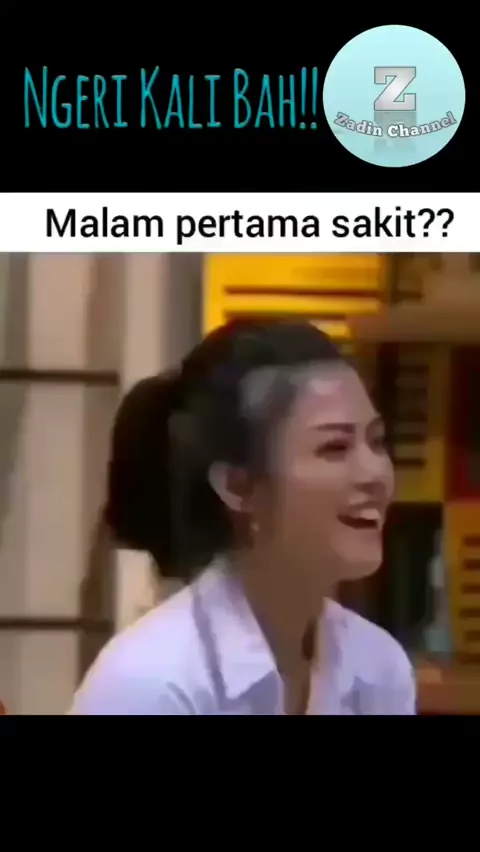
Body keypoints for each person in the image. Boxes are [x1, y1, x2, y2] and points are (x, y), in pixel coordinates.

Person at [69, 319, 416, 715]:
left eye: (377, 441)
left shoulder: (379, 668)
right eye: (335, 447)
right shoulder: (149, 681)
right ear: (239, 486)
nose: (375, 474)